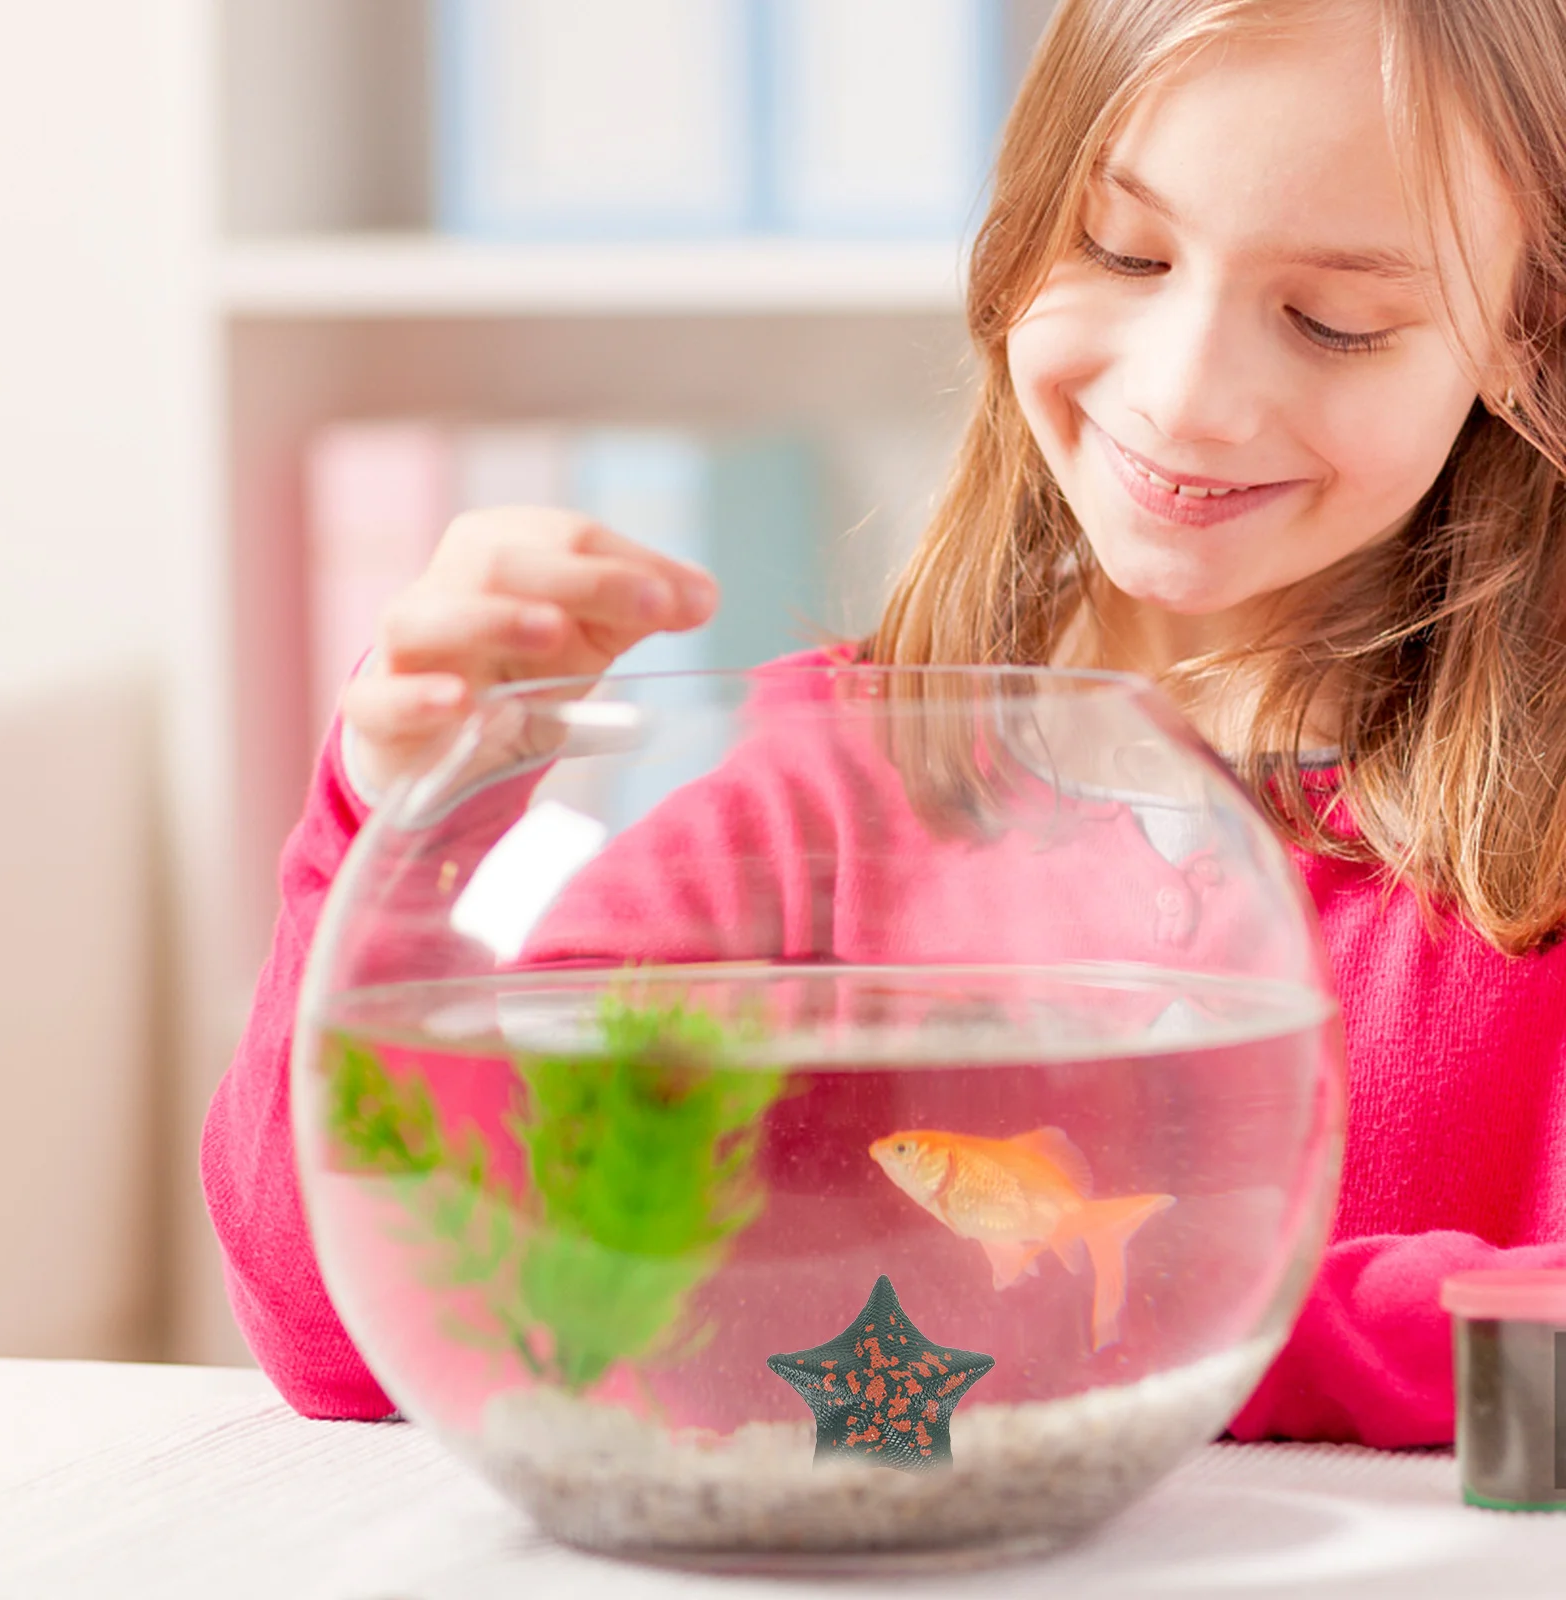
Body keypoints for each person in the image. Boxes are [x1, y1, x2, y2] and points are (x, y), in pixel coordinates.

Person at [204, 0, 1566, 1441]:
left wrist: (1186, 1313)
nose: (1188, 396)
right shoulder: (826, 795)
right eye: (1121, 249)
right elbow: (362, 1331)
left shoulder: (1525, 871)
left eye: (1336, 320)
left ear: (1523, 330)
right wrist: (396, 816)